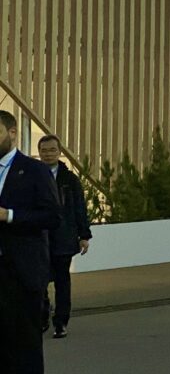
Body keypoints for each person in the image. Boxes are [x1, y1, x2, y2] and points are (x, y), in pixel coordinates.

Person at [0, 111, 61, 373]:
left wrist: (9, 215)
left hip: (21, 273)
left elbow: (53, 216)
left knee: (24, 346)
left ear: (12, 133)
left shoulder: (34, 170)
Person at [37, 135, 92, 339]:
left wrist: (84, 235)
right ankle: (42, 315)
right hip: (38, 238)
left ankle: (61, 322)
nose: (48, 154)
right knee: (39, 281)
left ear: (59, 152)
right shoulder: (32, 175)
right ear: (39, 152)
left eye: (52, 150)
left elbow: (79, 208)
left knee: (62, 282)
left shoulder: (70, 180)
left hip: (63, 238)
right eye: (44, 150)